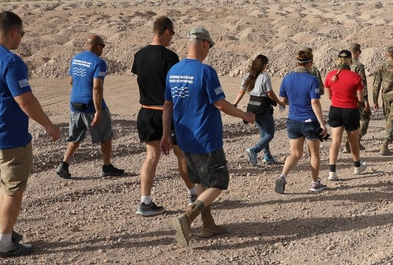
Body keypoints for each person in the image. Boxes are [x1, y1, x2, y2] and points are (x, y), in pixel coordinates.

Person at [0, 11, 61, 258]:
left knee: (6, 184)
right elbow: (25, 100)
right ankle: (5, 243)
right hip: (10, 136)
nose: (21, 39)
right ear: (14, 33)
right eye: (22, 34)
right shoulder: (11, 61)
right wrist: (49, 126)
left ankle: (1, 228)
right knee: (14, 189)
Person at [164, 26, 255, 247]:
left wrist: (166, 134)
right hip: (205, 137)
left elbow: (167, 105)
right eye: (210, 46)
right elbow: (220, 104)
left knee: (201, 181)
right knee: (219, 182)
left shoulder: (174, 70)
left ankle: (208, 224)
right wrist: (245, 115)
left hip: (184, 137)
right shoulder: (205, 72)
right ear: (205, 44)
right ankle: (187, 218)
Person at [131, 16, 195, 217]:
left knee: (151, 157)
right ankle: (193, 195)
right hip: (167, 112)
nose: (172, 38)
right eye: (172, 34)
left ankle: (145, 201)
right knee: (181, 154)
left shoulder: (139, 55)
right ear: (167, 31)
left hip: (146, 110)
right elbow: (173, 89)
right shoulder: (169, 57)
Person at [55, 34, 124, 180]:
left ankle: (64, 165)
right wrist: (98, 111)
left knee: (75, 137)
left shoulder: (76, 58)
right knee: (105, 136)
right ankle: (106, 167)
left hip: (75, 104)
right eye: (103, 47)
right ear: (98, 47)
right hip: (91, 105)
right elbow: (97, 88)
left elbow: (71, 81)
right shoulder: (99, 63)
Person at [273, 49, 329, 194]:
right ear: (310, 63)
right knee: (314, 153)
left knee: (295, 154)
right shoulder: (312, 80)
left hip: (293, 120)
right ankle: (315, 183)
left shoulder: (287, 78)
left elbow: (284, 101)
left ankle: (283, 176)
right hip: (309, 120)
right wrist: (322, 124)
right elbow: (315, 102)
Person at [324, 49, 371, 181]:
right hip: (350, 110)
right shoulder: (355, 77)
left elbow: (329, 96)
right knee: (353, 141)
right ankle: (357, 166)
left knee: (335, 142)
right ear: (350, 61)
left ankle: (332, 171)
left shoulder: (329, 75)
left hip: (335, 110)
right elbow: (360, 99)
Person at [233, 54, 286, 166]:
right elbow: (270, 93)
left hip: (252, 107)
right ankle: (254, 150)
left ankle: (267, 156)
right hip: (264, 108)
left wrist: (235, 104)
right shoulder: (264, 77)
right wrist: (279, 102)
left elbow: (241, 91)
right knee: (270, 134)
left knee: (263, 133)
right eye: (266, 64)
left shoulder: (247, 76)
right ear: (263, 65)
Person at [371, 45, 393, 155]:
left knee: (390, 120)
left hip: (385, 98)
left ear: (386, 54)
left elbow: (376, 84)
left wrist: (375, 100)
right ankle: (385, 145)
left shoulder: (380, 66)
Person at [348, 43, 371, 151]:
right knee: (364, 117)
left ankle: (345, 144)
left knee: (347, 119)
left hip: (345, 96)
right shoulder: (358, 66)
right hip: (357, 97)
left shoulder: (344, 65)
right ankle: (357, 140)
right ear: (357, 52)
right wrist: (365, 100)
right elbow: (362, 84)